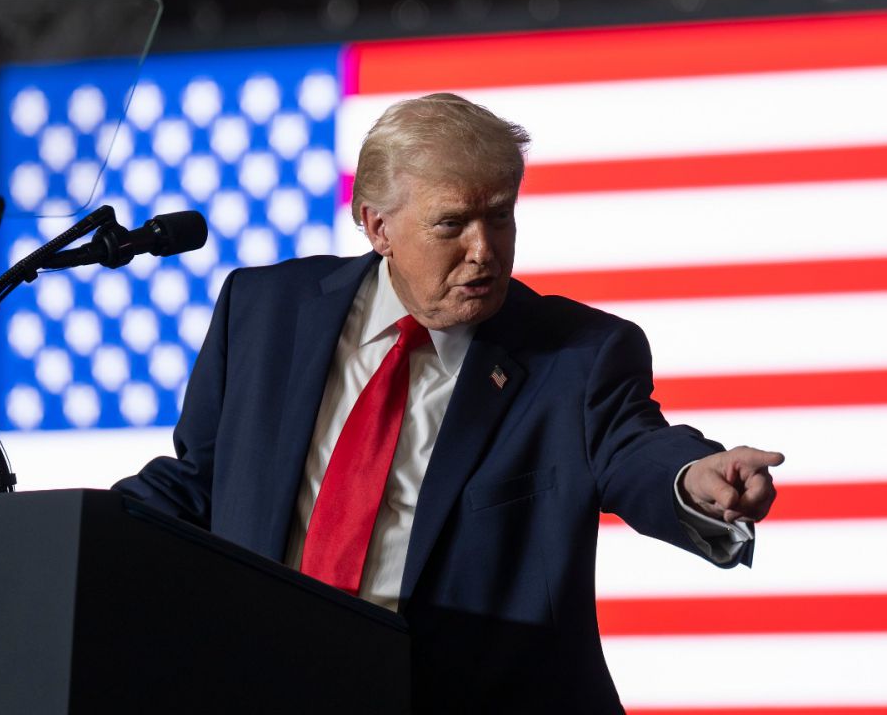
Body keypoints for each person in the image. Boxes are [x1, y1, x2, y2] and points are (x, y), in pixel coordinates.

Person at [115, 93, 781, 713]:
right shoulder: (264, 310)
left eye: (500, 216)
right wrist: (74, 529)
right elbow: (201, 481)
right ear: (377, 226)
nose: (483, 251)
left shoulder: (577, 355)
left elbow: (634, 448)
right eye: (452, 224)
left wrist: (692, 480)